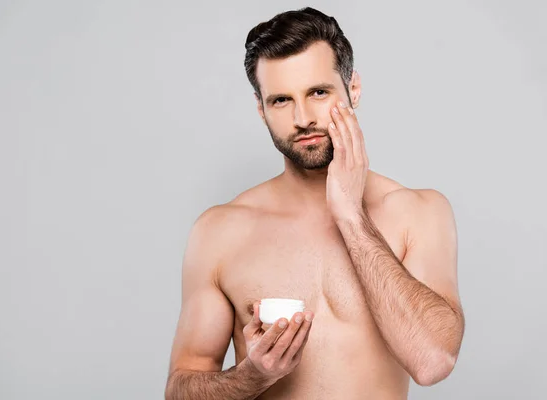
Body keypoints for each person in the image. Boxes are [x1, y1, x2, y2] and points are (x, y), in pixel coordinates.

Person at [164, 6, 465, 399]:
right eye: (281, 101)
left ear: (352, 89)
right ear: (261, 110)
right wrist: (252, 376)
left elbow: (433, 361)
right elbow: (180, 390)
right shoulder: (220, 231)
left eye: (318, 92)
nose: (302, 117)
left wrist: (352, 217)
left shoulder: (417, 213)